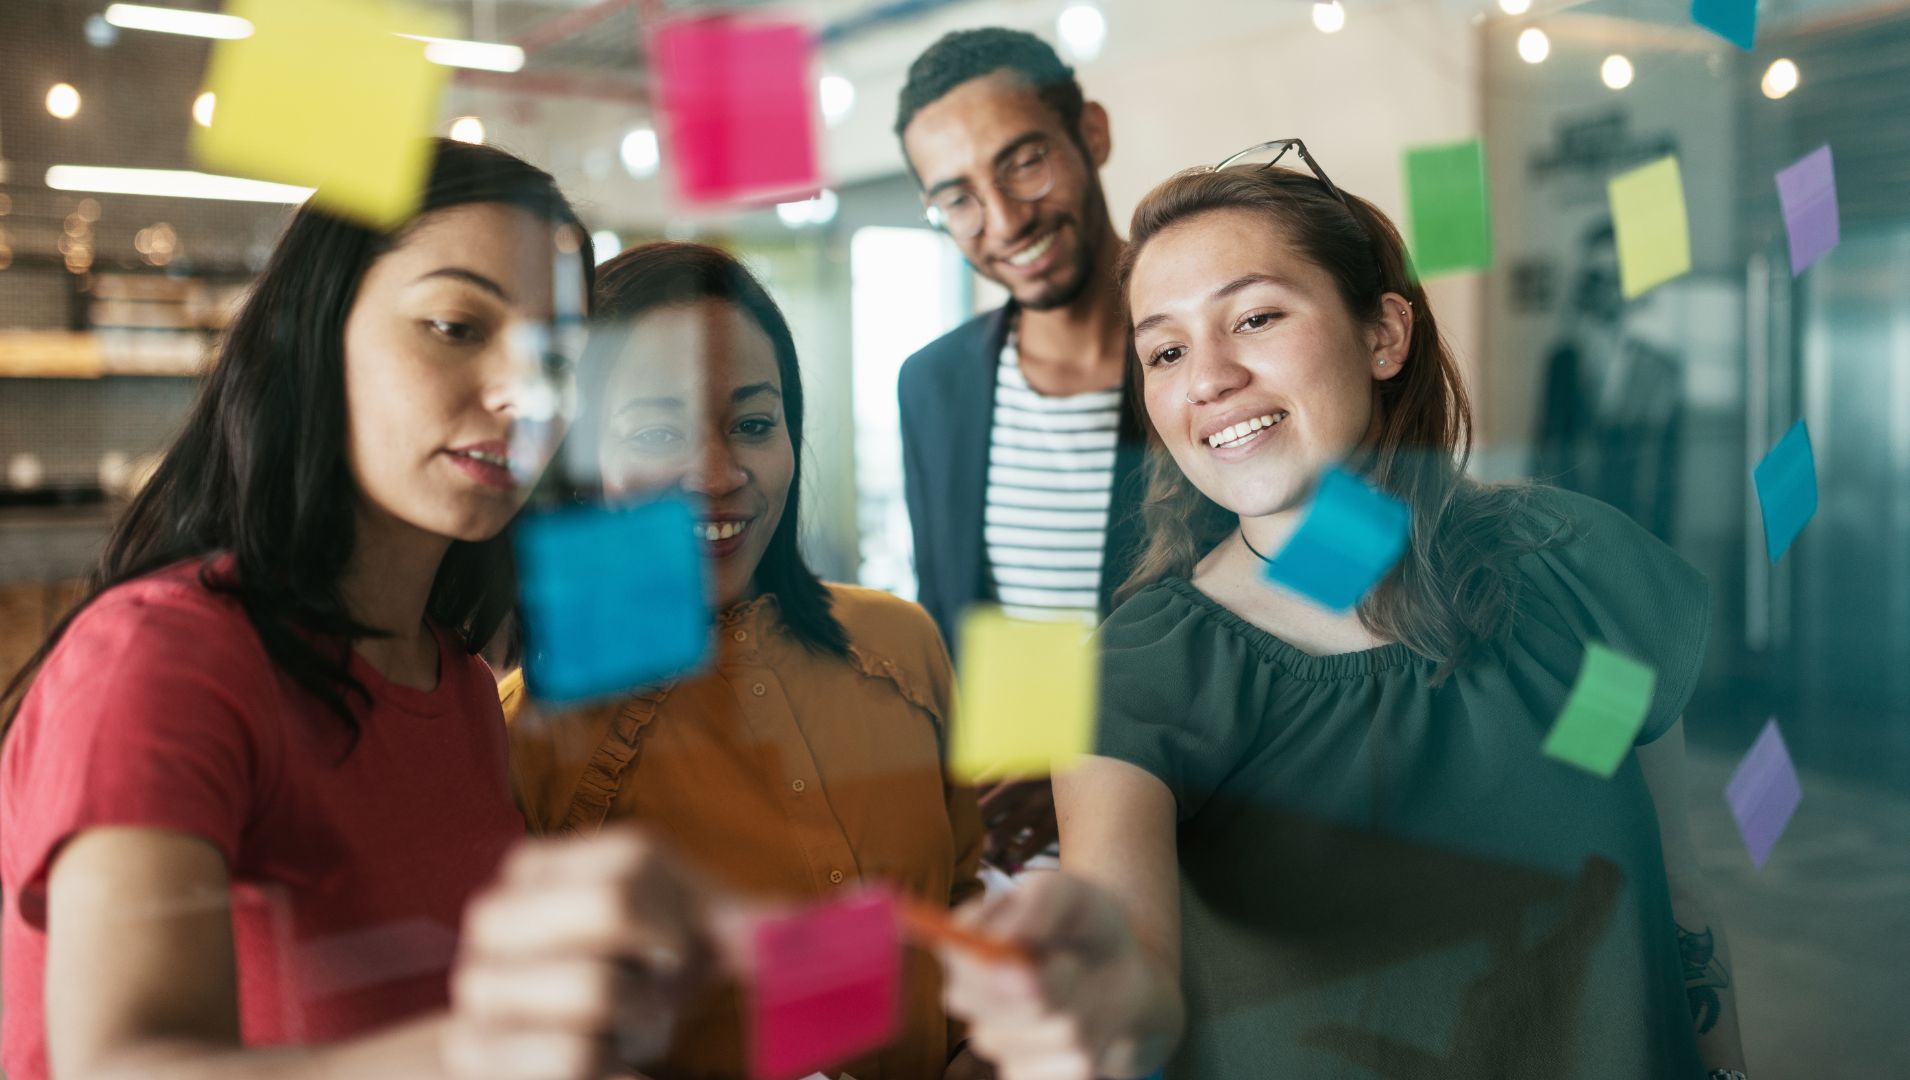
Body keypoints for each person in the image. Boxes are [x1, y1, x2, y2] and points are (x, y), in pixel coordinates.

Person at [935, 148, 1750, 1080]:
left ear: (1384, 335)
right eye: (1165, 350)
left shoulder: (1582, 577)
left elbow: (1672, 897)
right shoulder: (1147, 672)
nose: (1208, 377)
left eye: (1254, 317)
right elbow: (1133, 976)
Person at [0, 140, 722, 1080]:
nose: (525, 393)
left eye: (559, 355)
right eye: (457, 326)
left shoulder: (457, 683)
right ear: (314, 331)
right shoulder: (165, 657)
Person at [501, 242, 989, 1080]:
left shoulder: (902, 643)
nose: (718, 474)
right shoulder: (525, 738)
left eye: (754, 425)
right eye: (659, 431)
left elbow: (968, 902)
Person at [894, 26, 1148, 874]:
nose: (1002, 220)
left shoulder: (1203, 356)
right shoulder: (934, 385)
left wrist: (1088, 763)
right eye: (957, 198)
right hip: (1019, 855)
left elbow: (1326, 585)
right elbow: (956, 617)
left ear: (1094, 134)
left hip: (1209, 837)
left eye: (1025, 161)